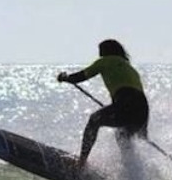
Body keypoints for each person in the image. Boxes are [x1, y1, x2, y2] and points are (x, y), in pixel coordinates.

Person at [57, 39, 149, 169]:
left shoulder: (104, 61)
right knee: (122, 136)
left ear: (106, 51)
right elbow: (137, 99)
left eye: (100, 49)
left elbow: (81, 76)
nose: (99, 52)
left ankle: (81, 163)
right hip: (142, 110)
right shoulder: (130, 68)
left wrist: (65, 78)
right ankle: (131, 174)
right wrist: (143, 129)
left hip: (126, 104)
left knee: (94, 120)